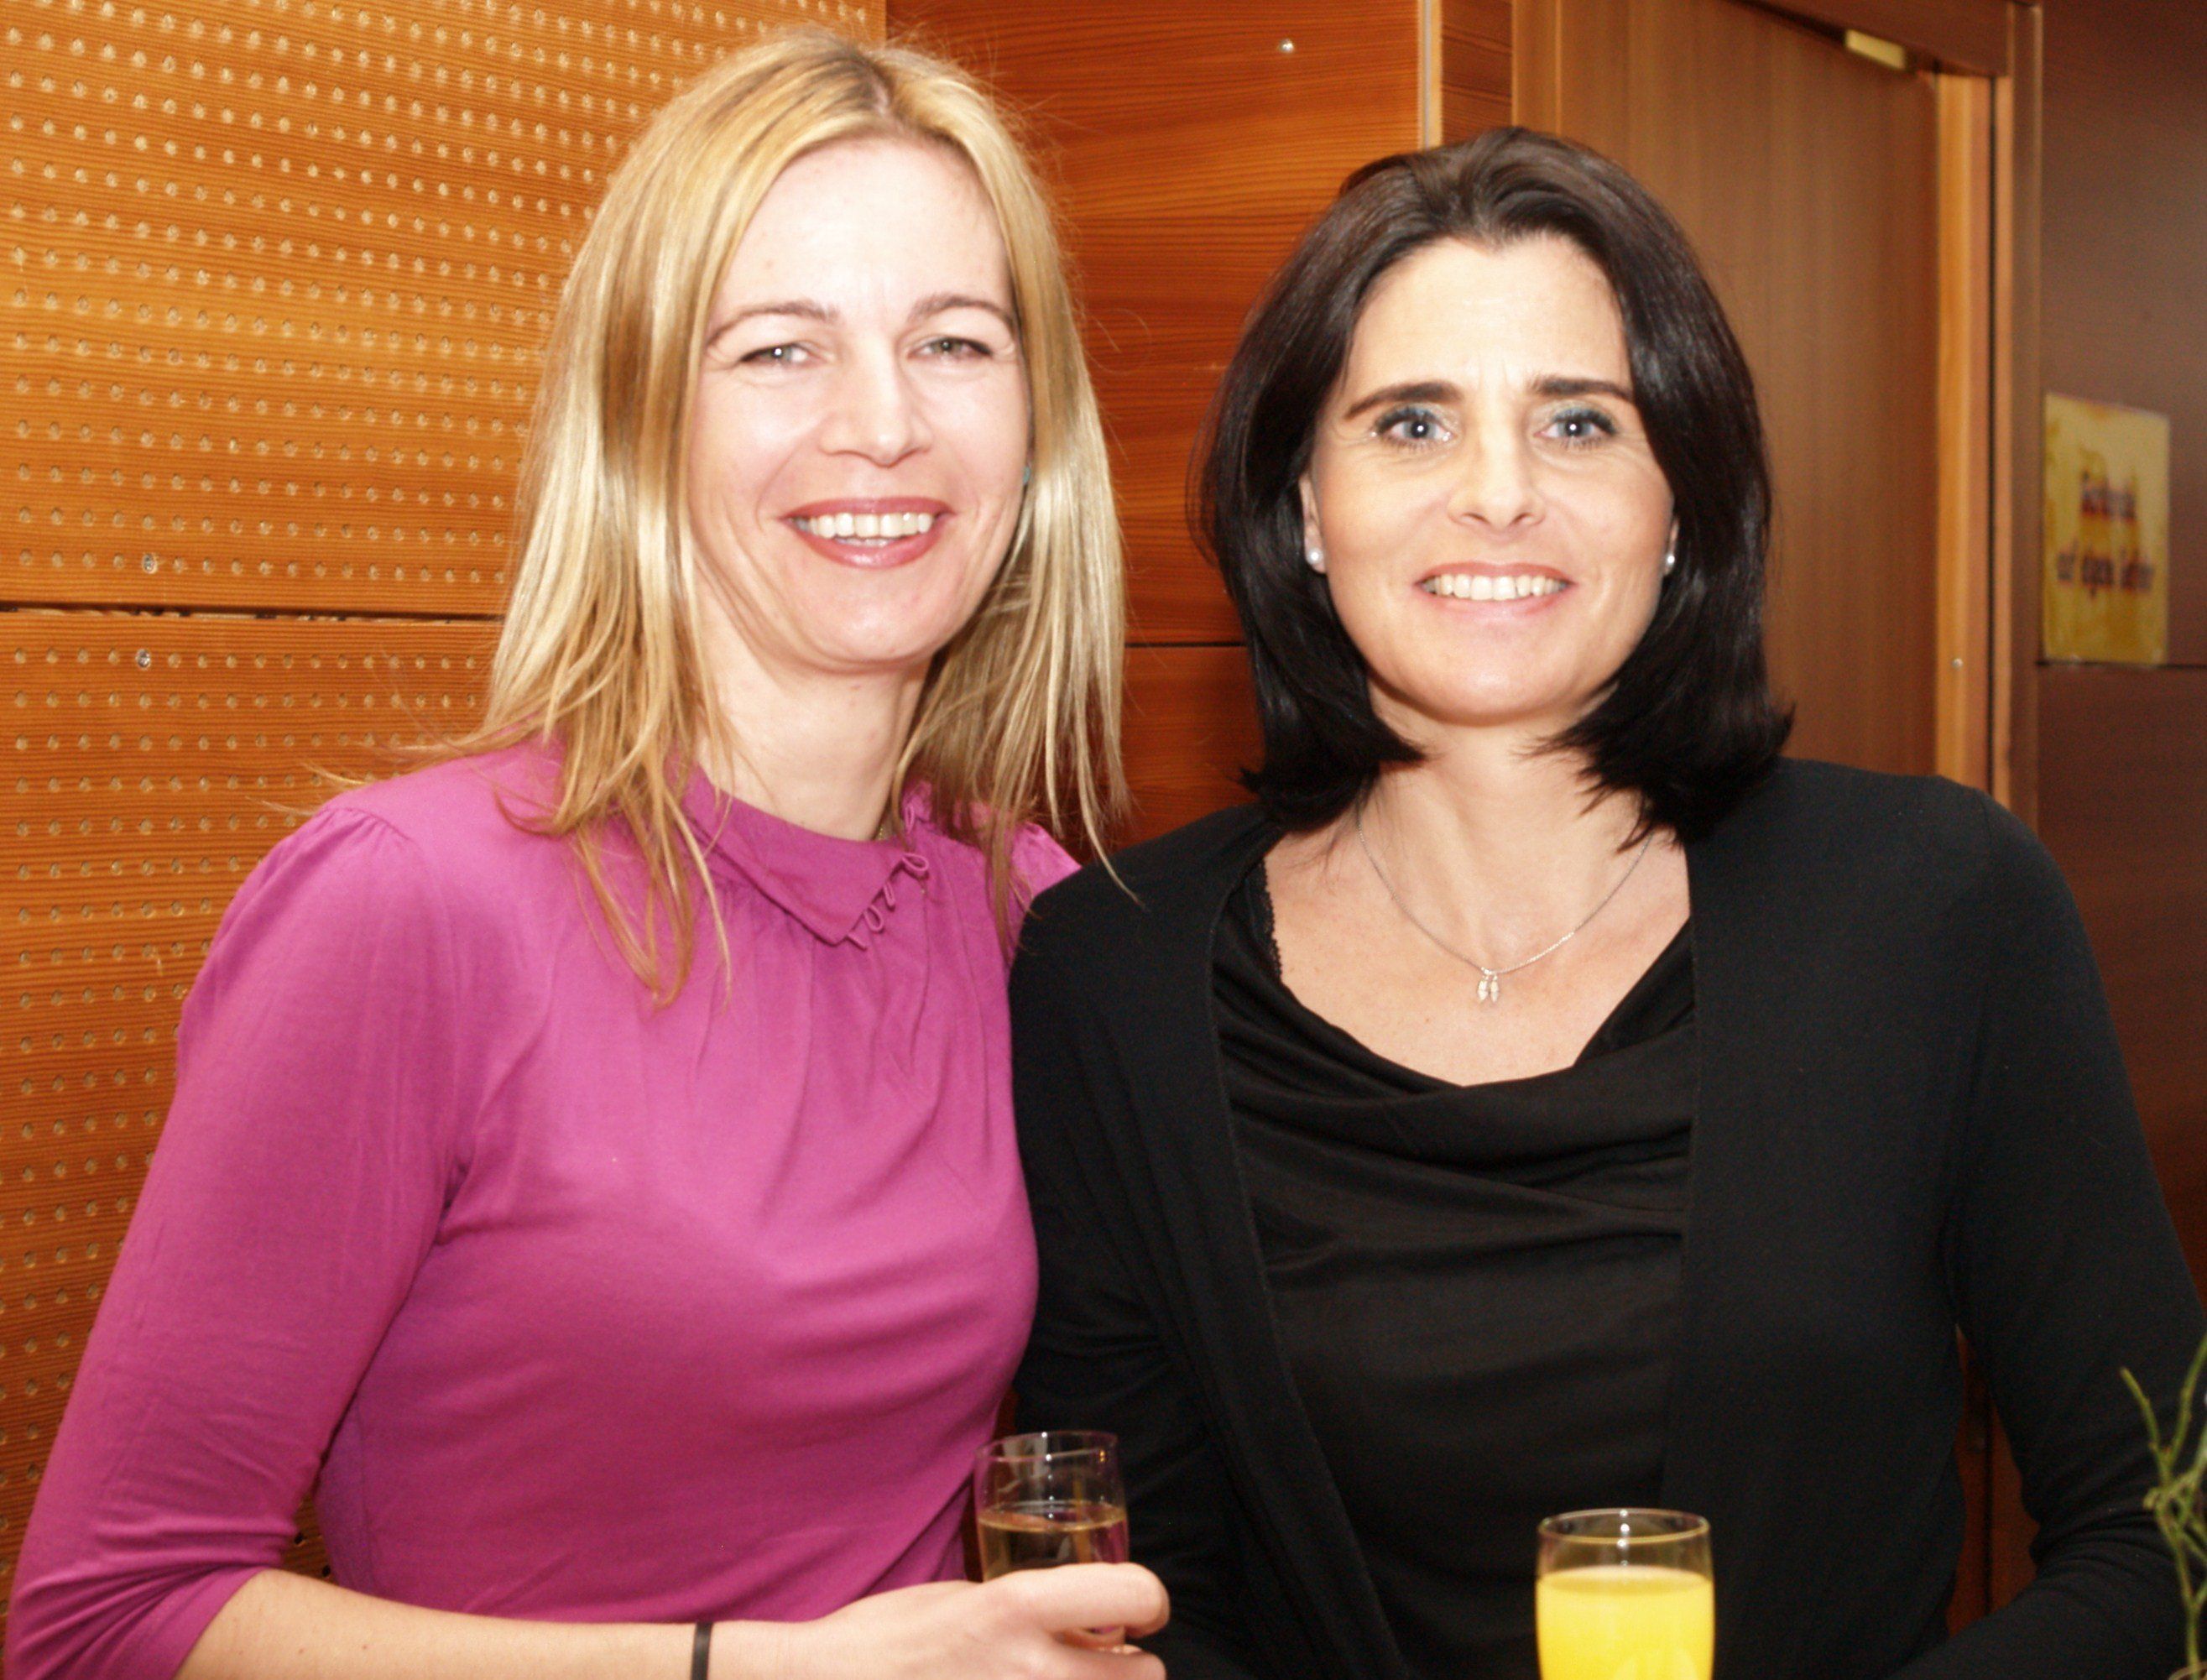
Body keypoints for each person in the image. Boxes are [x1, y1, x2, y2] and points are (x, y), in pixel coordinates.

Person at [8, 29, 1168, 1680]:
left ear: (1036, 422)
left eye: (954, 342)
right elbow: (107, 1615)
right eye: (779, 348)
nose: (884, 422)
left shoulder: (1033, 912)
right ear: (639, 419)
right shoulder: (410, 904)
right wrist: (766, 1672)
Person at [1008, 126, 2204, 1680]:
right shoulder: (1113, 971)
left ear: (1679, 503)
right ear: (1302, 505)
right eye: (1411, 422)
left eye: (1577, 422)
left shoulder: (1935, 910)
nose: (1497, 494)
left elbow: (2164, 1523)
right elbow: (1139, 1598)